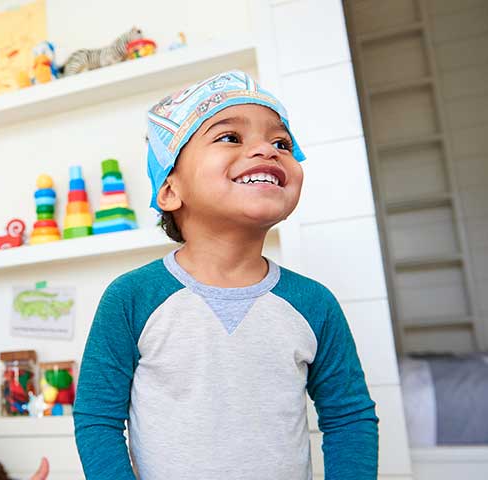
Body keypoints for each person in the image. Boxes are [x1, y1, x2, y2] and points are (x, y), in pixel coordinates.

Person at [73, 70, 379, 479]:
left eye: (281, 143)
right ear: (169, 190)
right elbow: (97, 419)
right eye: (231, 137)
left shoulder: (315, 304)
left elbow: (349, 419)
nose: (267, 151)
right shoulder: (131, 298)